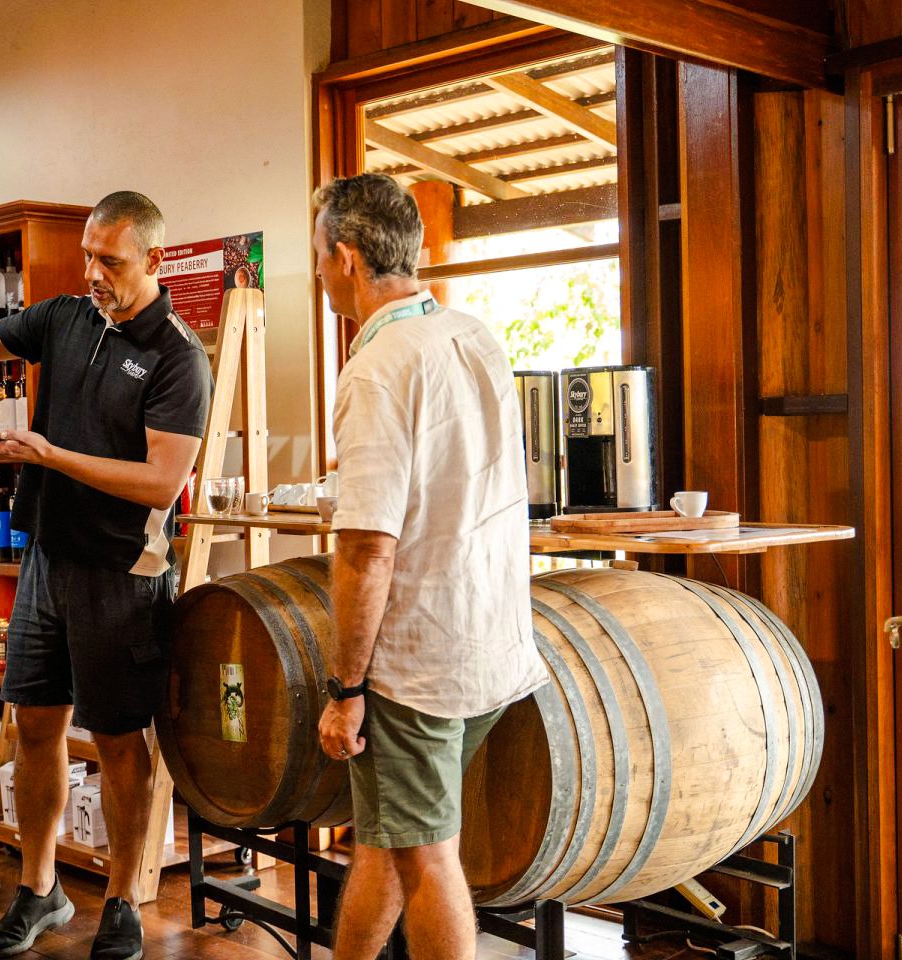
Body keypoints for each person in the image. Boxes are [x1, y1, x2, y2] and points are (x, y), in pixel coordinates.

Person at [0, 192, 211, 960]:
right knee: (35, 725)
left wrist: (52, 457)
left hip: (122, 571)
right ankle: (40, 886)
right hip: (46, 559)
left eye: (109, 261)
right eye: (88, 254)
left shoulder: (177, 355)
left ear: (152, 260)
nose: (92, 271)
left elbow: (161, 481)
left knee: (121, 741)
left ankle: (122, 897)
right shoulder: (66, 316)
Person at [310, 173, 548, 960]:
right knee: (387, 839)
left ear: (346, 258)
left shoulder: (377, 368)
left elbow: (367, 548)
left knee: (425, 854)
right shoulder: (472, 335)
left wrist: (345, 690)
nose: (318, 271)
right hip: (492, 638)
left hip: (419, 660)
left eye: (319, 255)